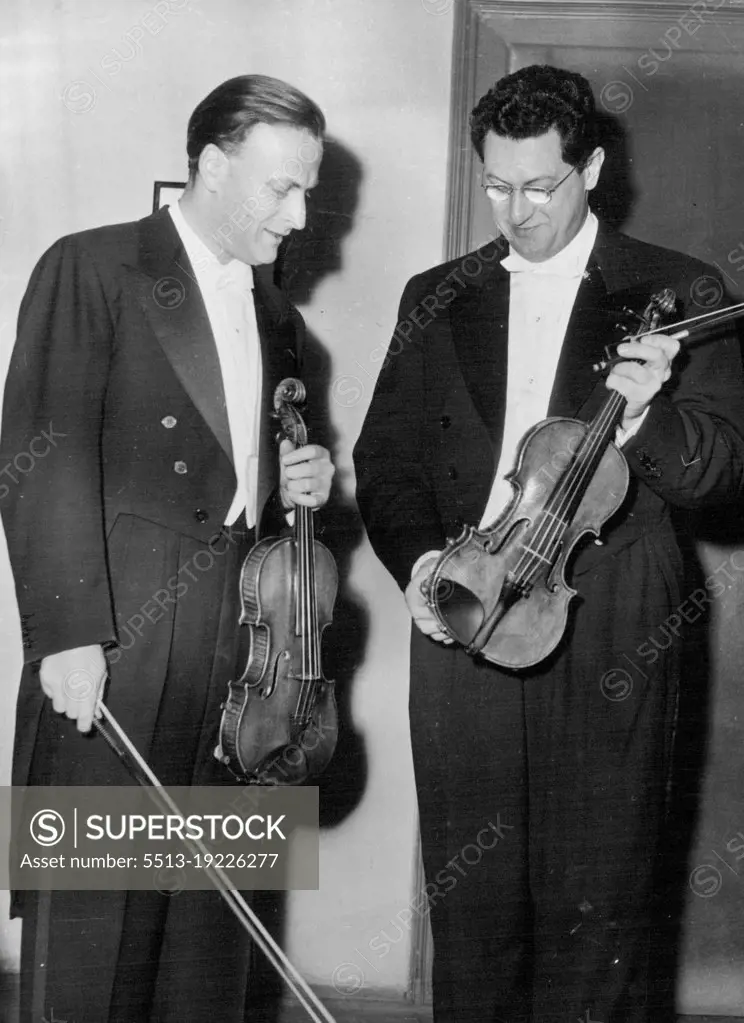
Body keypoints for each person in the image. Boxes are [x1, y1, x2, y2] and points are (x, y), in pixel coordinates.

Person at [353, 65, 744, 1023]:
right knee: (472, 904)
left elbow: (722, 471)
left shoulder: (676, 287)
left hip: (611, 624)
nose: (515, 211)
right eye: (496, 185)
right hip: (467, 613)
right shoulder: (437, 294)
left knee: (601, 906)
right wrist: (419, 567)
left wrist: (645, 416)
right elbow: (387, 459)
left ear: (593, 168)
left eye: (540, 187)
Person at [1, 74, 334, 1023]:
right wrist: (65, 636)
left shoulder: (280, 316)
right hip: (118, 646)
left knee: (210, 947)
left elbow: (247, 478)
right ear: (215, 166)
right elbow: (42, 460)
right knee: (94, 935)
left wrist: (295, 485)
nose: (301, 216)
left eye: (308, 189)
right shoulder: (91, 267)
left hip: (244, 668)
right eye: (282, 188)